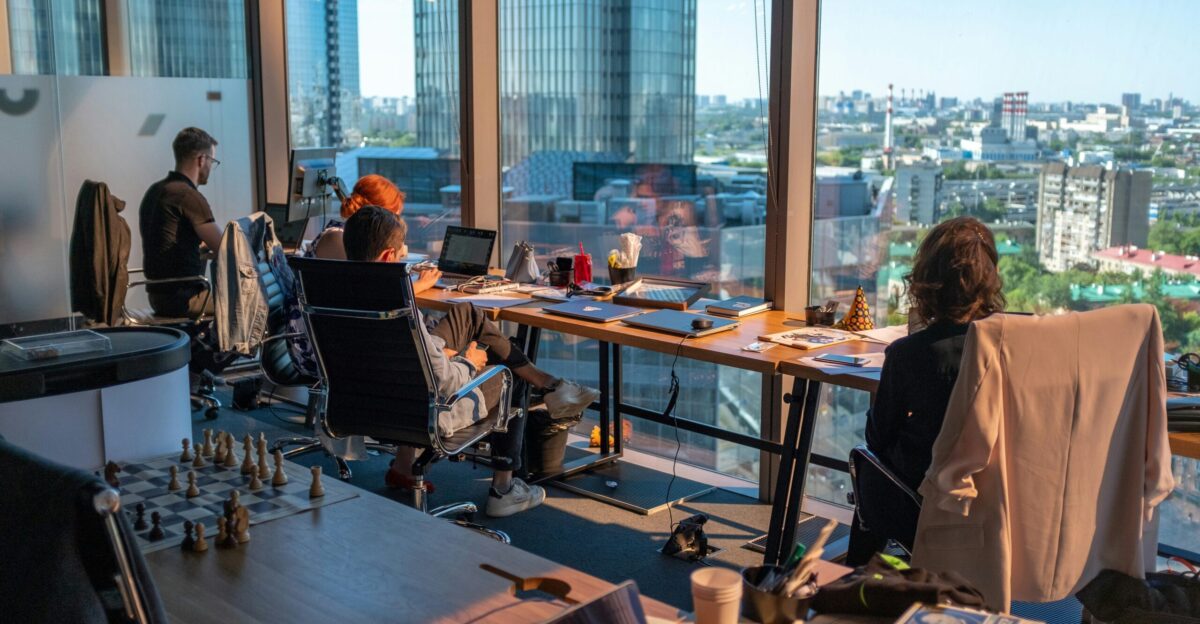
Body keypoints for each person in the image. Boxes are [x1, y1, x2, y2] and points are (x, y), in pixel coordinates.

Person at [342, 206, 600, 517]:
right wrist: (467, 360)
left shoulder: (339, 291)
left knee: (468, 315)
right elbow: (442, 382)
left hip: (366, 406)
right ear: (387, 257)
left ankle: (404, 465)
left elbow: (405, 357)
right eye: (400, 254)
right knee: (508, 374)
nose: (402, 261)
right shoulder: (398, 308)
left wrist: (439, 351)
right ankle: (504, 489)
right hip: (424, 410)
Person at [848, 216, 1006, 564]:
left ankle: (854, 588)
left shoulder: (908, 354)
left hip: (925, 502)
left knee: (864, 457)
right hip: (998, 498)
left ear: (926, 281)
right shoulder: (1011, 346)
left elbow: (877, 438)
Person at [139, 127, 224, 318]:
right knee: (252, 302)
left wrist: (202, 252)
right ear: (201, 160)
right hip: (184, 299)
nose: (211, 166)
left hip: (158, 296)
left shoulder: (155, 191)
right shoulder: (188, 195)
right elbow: (227, 247)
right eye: (212, 161)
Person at [311, 173, 406, 261]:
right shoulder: (337, 238)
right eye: (393, 217)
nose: (395, 225)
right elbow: (363, 277)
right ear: (377, 214)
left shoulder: (356, 238)